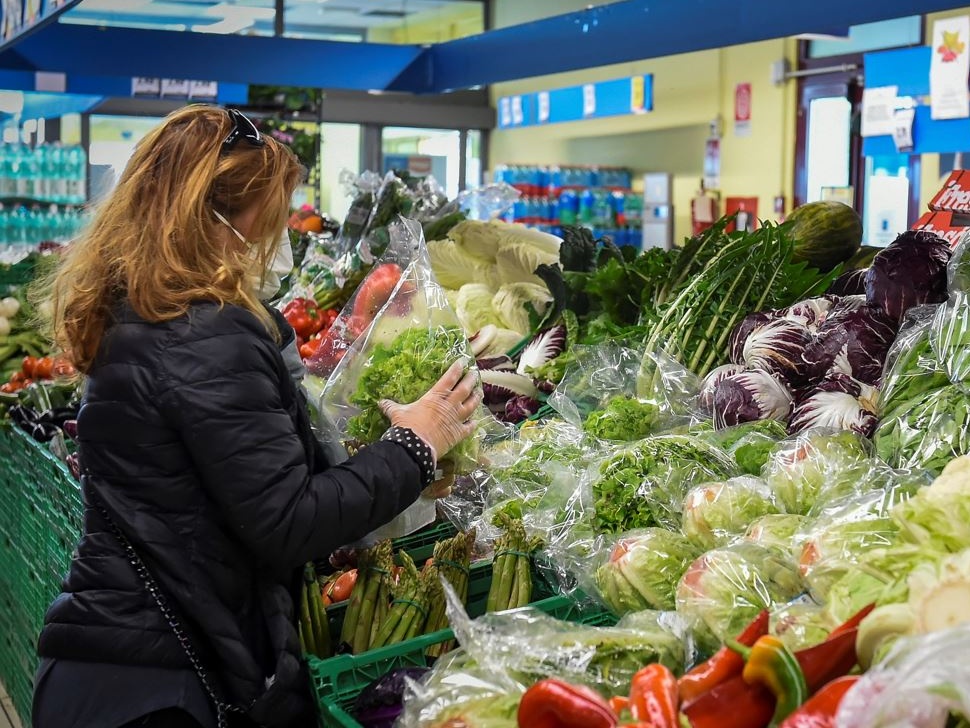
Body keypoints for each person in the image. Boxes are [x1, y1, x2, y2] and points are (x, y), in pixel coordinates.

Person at [31, 104, 479, 728]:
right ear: (213, 221)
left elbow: (228, 488)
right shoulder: (205, 333)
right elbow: (288, 520)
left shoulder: (143, 313)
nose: (276, 242)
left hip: (117, 662)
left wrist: (392, 465)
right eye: (269, 221)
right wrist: (414, 445)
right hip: (162, 689)